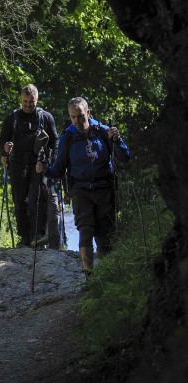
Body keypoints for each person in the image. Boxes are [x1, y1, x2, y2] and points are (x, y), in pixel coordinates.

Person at [36, 97, 130, 273]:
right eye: (73, 117)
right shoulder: (68, 138)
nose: (77, 121)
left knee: (104, 237)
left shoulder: (103, 132)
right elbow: (58, 169)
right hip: (80, 191)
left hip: (104, 189)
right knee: (85, 232)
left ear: (87, 113)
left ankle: (106, 275)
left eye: (80, 116)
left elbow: (124, 158)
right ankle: (90, 276)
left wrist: (117, 140)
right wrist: (45, 170)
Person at [0, 84, 59, 247]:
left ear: (36, 100)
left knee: (39, 198)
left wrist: (54, 155)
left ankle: (39, 235)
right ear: (21, 100)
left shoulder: (46, 117)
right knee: (20, 201)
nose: (28, 105)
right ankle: (25, 237)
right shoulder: (12, 118)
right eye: (25, 101)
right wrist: (5, 148)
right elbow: (1, 140)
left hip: (39, 162)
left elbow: (55, 140)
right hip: (18, 163)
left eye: (31, 101)